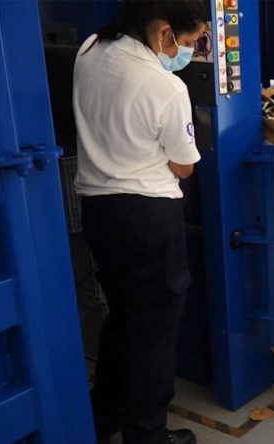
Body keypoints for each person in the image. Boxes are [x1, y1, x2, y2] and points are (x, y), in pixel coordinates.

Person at [72, 1, 208, 443]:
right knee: (154, 336)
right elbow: (184, 167)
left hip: (98, 211)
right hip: (149, 218)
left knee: (123, 319)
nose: (186, 52)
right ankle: (147, 436)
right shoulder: (165, 87)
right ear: (164, 31)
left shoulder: (89, 50)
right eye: (187, 43)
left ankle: (102, 418)